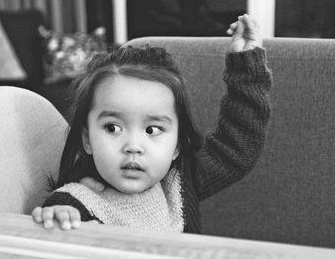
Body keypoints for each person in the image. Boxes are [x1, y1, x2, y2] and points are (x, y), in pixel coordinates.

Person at [32, 14, 272, 233]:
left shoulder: (178, 183)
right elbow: (54, 223)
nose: (133, 146)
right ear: (87, 140)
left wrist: (245, 66)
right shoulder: (75, 202)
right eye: (113, 128)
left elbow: (236, 148)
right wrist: (57, 219)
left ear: (177, 145)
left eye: (152, 130)